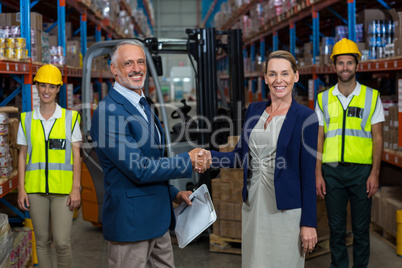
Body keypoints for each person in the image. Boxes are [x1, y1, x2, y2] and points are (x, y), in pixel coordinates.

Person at [90, 40, 207, 267]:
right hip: (132, 225)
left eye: (141, 62)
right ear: (114, 69)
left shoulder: (141, 104)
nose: (137, 68)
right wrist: (187, 160)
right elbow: (139, 168)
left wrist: (173, 193)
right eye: (129, 63)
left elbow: (153, 161)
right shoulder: (109, 112)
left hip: (158, 220)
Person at [202, 50, 318, 267]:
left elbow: (307, 175)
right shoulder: (255, 110)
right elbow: (239, 157)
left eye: (285, 73)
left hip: (285, 211)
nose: (278, 80)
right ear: (265, 78)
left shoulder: (305, 117)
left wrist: (309, 223)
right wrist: (211, 156)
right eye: (272, 74)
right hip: (253, 206)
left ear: (296, 76)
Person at [315, 38, 384, 268]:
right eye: (341, 63)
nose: (345, 67)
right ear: (333, 66)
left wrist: (375, 173)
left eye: (349, 63)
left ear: (357, 65)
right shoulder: (323, 99)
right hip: (332, 172)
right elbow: (319, 138)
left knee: (361, 230)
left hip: (361, 174)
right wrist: (318, 174)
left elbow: (378, 138)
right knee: (336, 230)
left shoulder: (372, 97)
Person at [17, 64, 82, 268]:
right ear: (36, 86)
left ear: (58, 89)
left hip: (63, 190)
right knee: (42, 242)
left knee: (62, 243)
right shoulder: (26, 120)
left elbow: (76, 155)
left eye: (51, 86)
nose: (46, 90)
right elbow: (22, 155)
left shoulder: (70, 118)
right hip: (35, 190)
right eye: (43, 85)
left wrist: (75, 188)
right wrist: (21, 189)